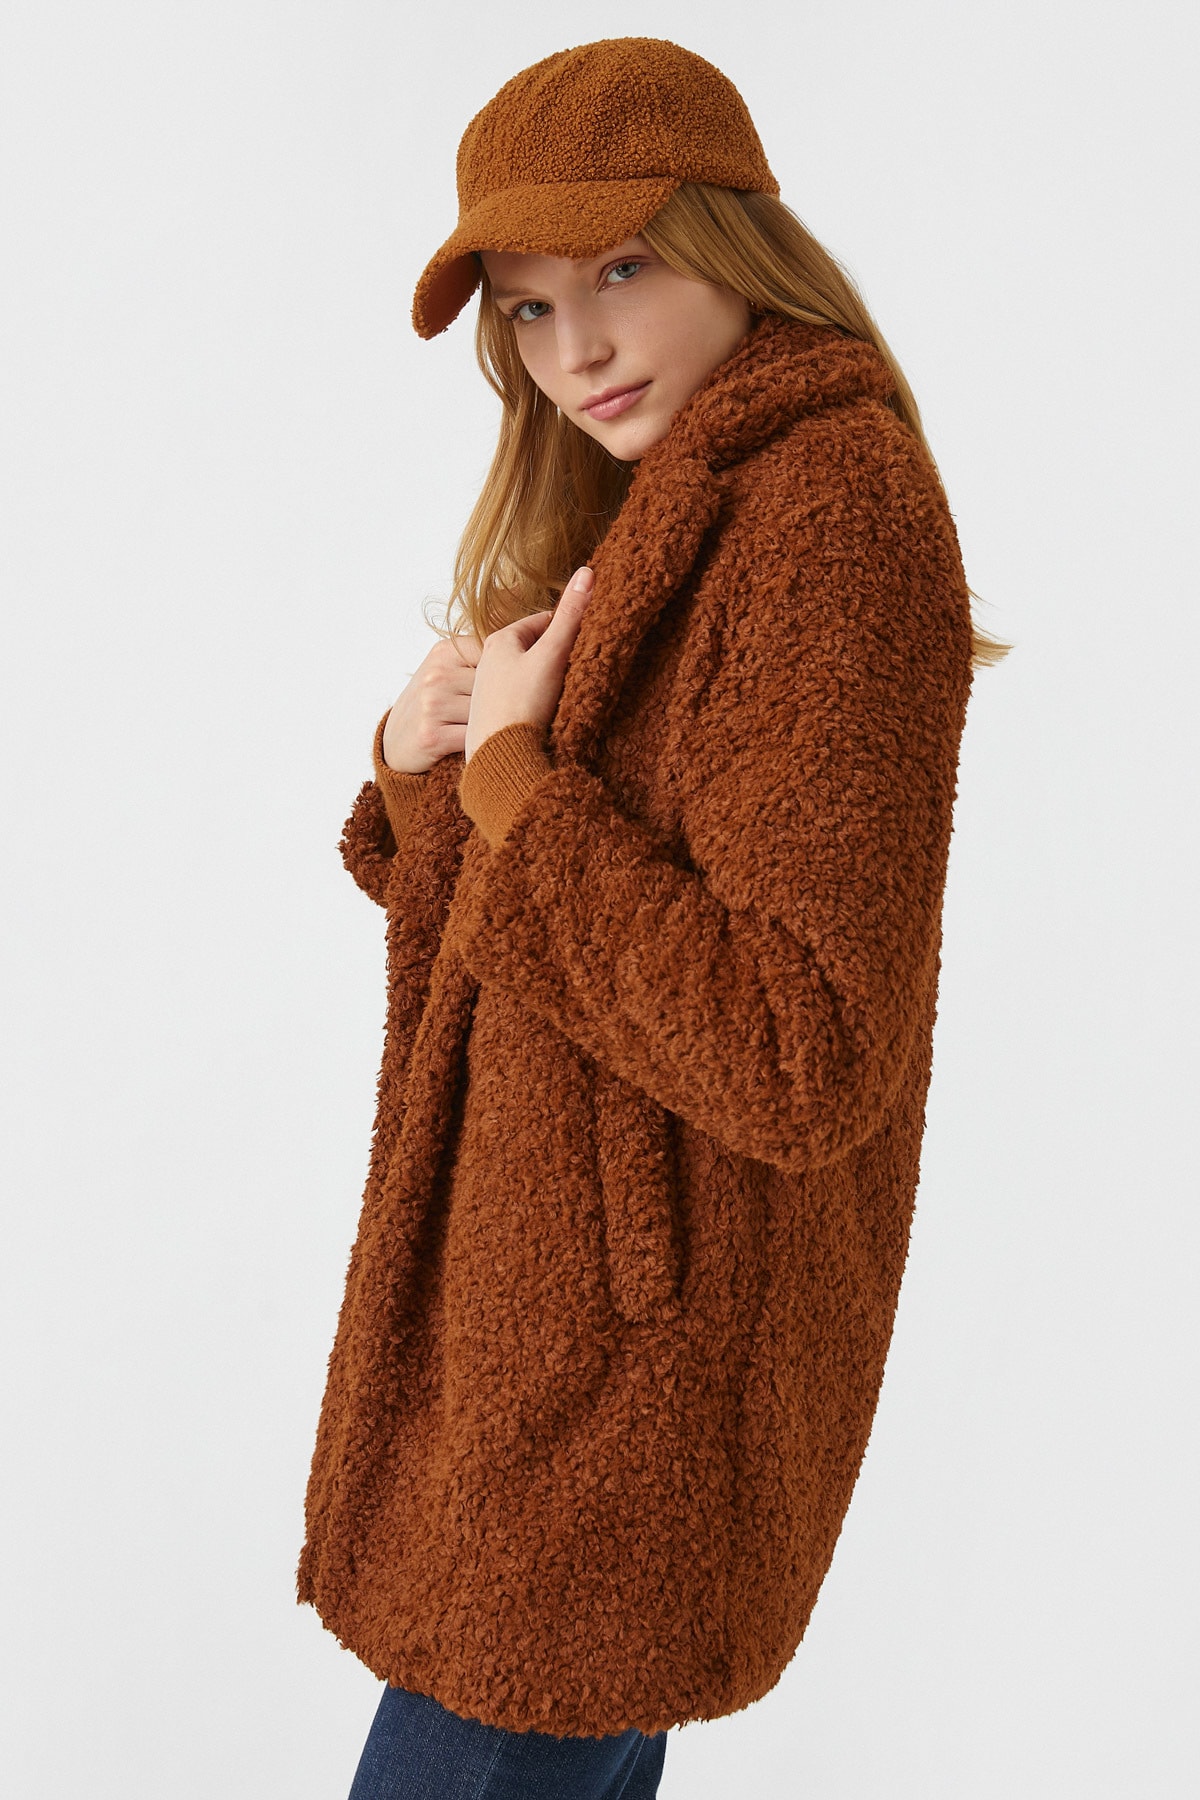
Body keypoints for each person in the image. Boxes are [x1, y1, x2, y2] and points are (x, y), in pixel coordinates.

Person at [298, 36, 1006, 1800]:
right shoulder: (660, 507)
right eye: (531, 310)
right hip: (555, 1374)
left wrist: (516, 786)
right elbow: (526, 944)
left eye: (621, 270)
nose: (580, 349)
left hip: (626, 1399)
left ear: (735, 239)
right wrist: (428, 770)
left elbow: (797, 1045)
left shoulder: (831, 512)